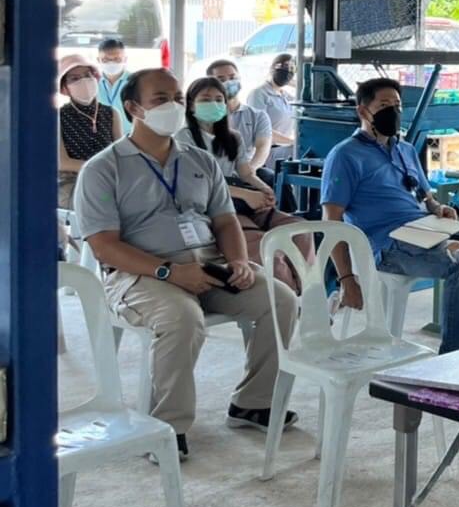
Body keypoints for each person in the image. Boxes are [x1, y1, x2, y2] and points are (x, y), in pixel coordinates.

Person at [73, 68, 298, 460]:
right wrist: (170, 272)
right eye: (161, 100)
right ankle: (167, 427)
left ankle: (253, 402)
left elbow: (225, 220)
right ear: (134, 108)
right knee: (182, 317)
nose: (174, 106)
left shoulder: (199, 160)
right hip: (143, 272)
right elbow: (104, 245)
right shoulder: (103, 169)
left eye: (177, 98)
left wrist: (239, 261)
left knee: (280, 300)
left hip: (208, 263)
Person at [320, 78, 459, 352]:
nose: (393, 111)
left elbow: (426, 197)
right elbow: (332, 221)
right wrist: (346, 279)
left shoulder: (405, 150)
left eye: (397, 105)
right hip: (387, 244)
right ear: (363, 111)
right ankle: (455, 354)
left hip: (426, 230)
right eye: (384, 105)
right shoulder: (345, 155)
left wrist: (438, 208)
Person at [181, 77, 313, 294]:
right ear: (191, 105)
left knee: (301, 230)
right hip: (214, 209)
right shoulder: (183, 139)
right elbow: (200, 183)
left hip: (241, 203)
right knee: (266, 248)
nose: (213, 104)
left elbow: (246, 172)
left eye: (219, 99)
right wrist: (245, 195)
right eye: (205, 99)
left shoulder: (232, 138)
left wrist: (263, 189)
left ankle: (307, 294)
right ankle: (286, 301)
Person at [58, 55, 122, 209]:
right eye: (75, 79)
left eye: (87, 75)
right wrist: (100, 168)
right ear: (65, 88)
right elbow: (62, 162)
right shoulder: (58, 116)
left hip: (107, 179)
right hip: (72, 182)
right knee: (100, 203)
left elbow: (120, 155)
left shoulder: (111, 113)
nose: (84, 81)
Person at [205, 58, 272, 174]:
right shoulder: (204, 115)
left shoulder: (258, 116)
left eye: (232, 78)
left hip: (247, 171)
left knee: (269, 176)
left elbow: (262, 148)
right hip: (212, 172)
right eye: (221, 80)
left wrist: (248, 172)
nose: (228, 82)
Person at [245, 53, 297, 171]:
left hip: (283, 148)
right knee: (298, 151)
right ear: (272, 68)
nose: (287, 72)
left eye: (291, 69)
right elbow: (261, 129)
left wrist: (296, 84)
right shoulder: (259, 94)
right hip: (265, 152)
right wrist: (292, 141)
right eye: (283, 67)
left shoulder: (286, 96)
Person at [96, 36, 131, 132]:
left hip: (129, 137)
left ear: (125, 59)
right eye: (105, 60)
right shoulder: (93, 83)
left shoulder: (135, 81)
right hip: (101, 137)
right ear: (98, 60)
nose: (111, 63)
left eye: (117, 59)